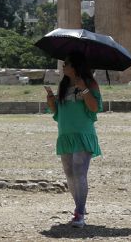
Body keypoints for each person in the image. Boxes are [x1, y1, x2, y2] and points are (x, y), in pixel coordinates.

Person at [44, 52, 102, 229]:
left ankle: (80, 213)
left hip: (83, 133)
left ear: (75, 66)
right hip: (65, 134)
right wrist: (51, 98)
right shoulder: (64, 84)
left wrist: (84, 88)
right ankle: (79, 208)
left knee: (79, 171)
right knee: (69, 173)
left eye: (66, 63)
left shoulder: (90, 83)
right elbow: (56, 112)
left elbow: (94, 108)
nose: (63, 66)